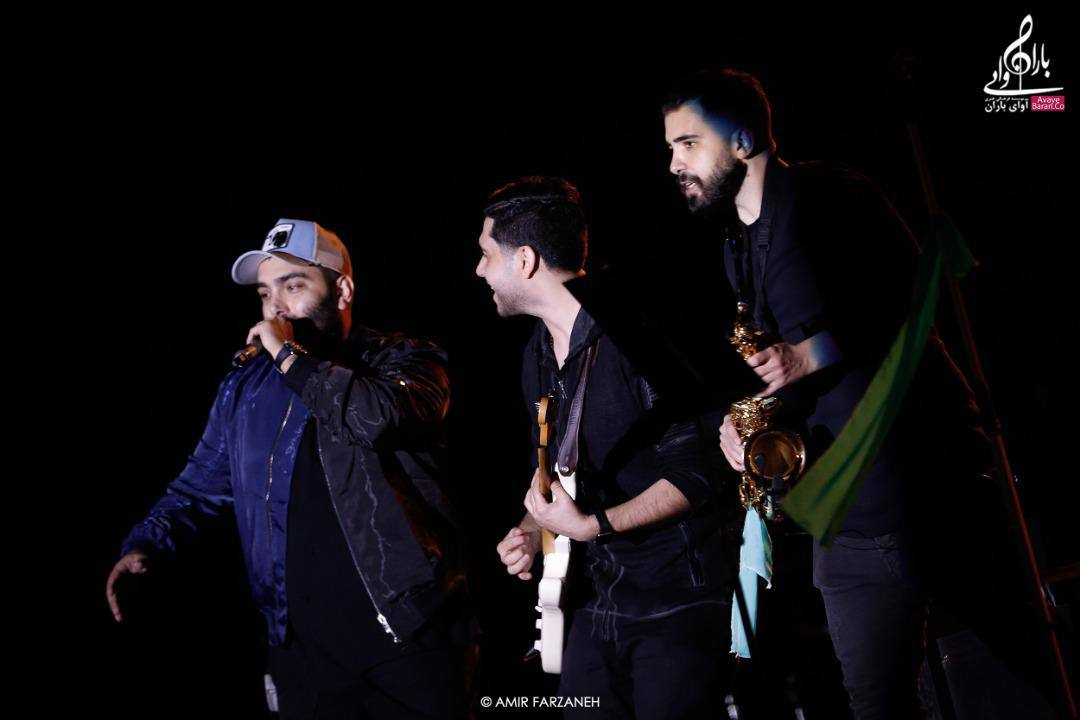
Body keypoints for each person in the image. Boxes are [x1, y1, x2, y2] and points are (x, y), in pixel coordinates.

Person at [661, 70, 992, 719]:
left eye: (688, 143)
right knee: (877, 705)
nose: (673, 163)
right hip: (844, 510)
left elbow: (919, 297)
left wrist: (806, 354)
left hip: (919, 482)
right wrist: (745, 418)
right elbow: (780, 366)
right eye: (670, 147)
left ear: (743, 139)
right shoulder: (735, 245)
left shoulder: (831, 196)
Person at [106, 219, 469, 719]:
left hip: (409, 640)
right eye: (264, 293)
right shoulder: (246, 387)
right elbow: (200, 485)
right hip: (304, 652)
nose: (275, 307)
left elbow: (379, 417)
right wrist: (146, 543)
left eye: (293, 286)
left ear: (342, 291)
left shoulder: (402, 361)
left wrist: (287, 356)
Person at [482, 177, 735, 719]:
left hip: (680, 599)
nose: (479, 270)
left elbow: (699, 471)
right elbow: (557, 472)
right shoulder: (536, 353)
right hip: (599, 600)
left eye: (486, 254)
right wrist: (531, 530)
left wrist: (592, 525)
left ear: (524, 260)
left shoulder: (638, 327)